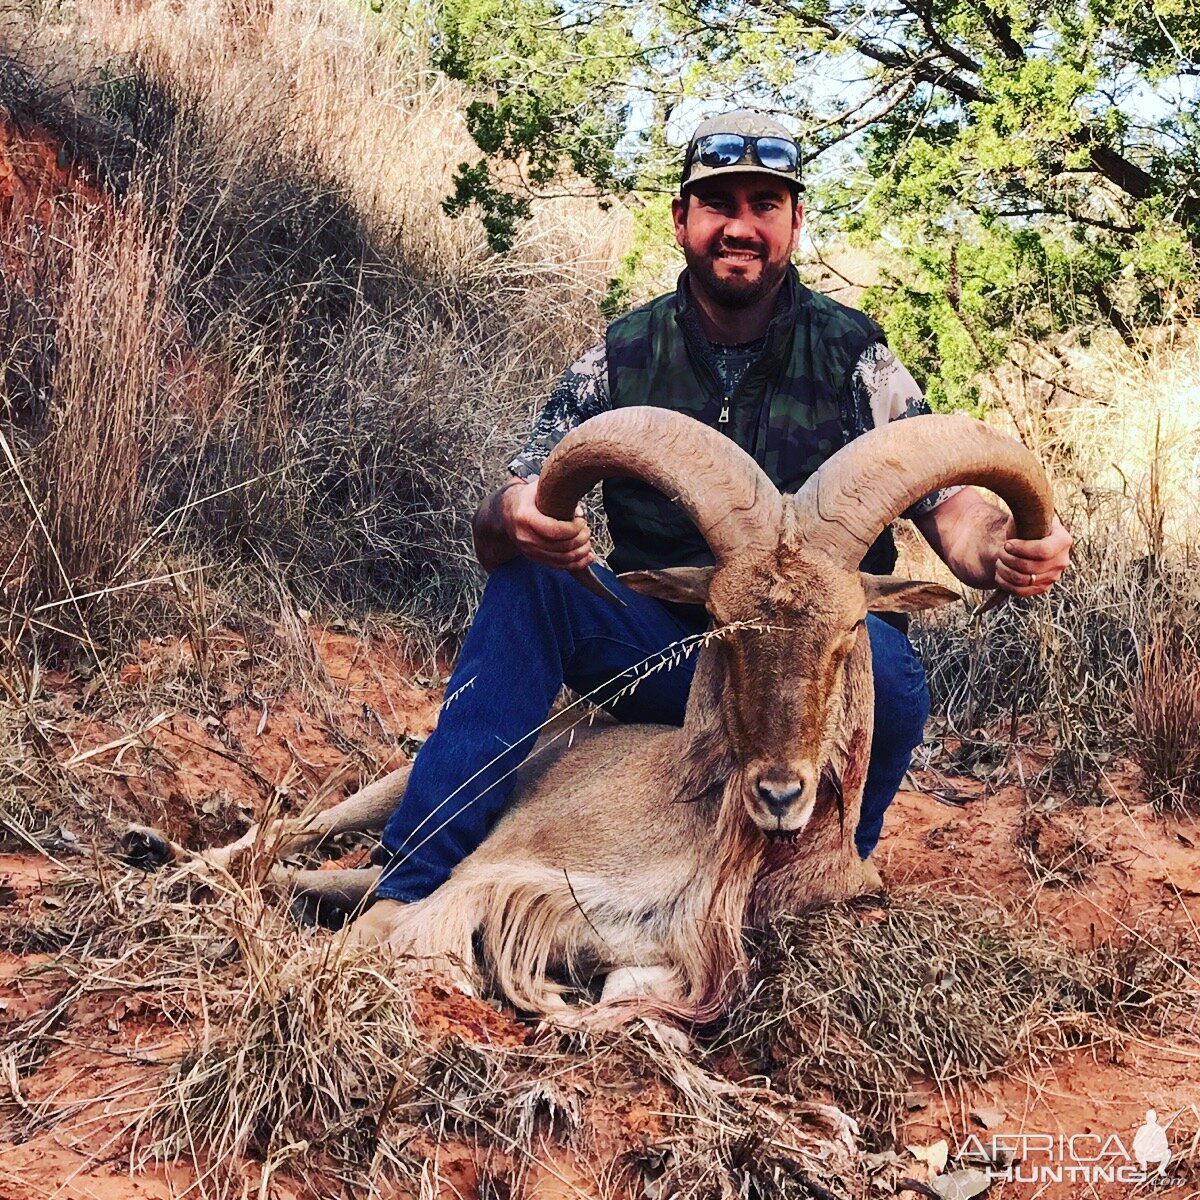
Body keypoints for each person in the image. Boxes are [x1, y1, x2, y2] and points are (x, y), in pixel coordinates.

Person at [363, 110, 1073, 915]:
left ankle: (825, 876)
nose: (741, 226)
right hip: (671, 651)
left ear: (795, 223)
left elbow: (959, 517)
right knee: (531, 583)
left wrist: (1007, 548)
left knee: (890, 667)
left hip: (811, 662)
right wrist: (522, 517)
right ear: (682, 221)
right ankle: (410, 881)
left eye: (764, 205)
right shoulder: (621, 356)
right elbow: (512, 508)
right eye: (719, 205)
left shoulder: (855, 356)